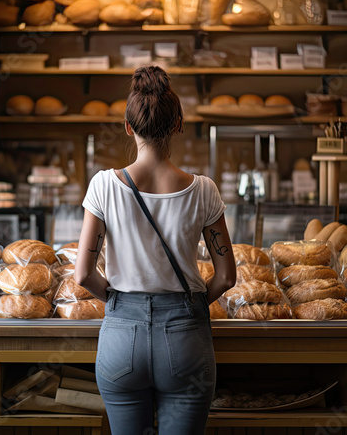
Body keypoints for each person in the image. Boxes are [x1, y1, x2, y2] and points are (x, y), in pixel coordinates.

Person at [75, 65, 236, 435]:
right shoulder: (204, 190)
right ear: (178, 124)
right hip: (184, 339)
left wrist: (119, 301)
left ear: (129, 127)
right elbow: (226, 277)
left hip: (121, 339)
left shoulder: (103, 186)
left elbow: (83, 274)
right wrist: (190, 305)